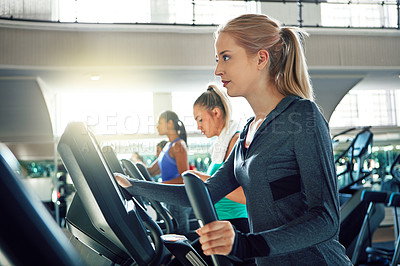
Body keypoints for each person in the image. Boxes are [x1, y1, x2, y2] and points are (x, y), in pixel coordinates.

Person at [116, 14, 352, 265]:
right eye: (218, 59)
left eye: (226, 57)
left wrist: (246, 244)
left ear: (261, 58)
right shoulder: (249, 132)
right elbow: (203, 193)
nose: (218, 69)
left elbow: (326, 218)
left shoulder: (302, 116)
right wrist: (131, 186)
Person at [190, 84, 248, 234]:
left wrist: (202, 178)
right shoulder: (220, 147)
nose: (198, 126)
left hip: (235, 225)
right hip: (219, 222)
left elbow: (247, 195)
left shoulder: (236, 142)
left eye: (200, 119)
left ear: (215, 112)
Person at [144, 110, 193, 235]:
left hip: (178, 200)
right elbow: (152, 170)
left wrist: (161, 186)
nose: (157, 126)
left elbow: (184, 178)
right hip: (169, 199)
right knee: (172, 236)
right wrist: (127, 168)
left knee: (180, 238)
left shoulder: (179, 145)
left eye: (160, 123)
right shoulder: (167, 147)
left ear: (170, 124)